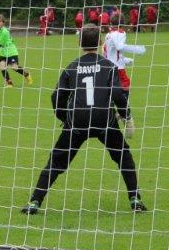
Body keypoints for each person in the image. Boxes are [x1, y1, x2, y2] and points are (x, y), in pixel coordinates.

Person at [20, 24, 146, 215]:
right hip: (104, 121)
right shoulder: (109, 66)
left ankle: (35, 201)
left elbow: (57, 96)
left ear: (79, 43)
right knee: (124, 157)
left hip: (77, 122)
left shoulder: (72, 67)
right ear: (101, 42)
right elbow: (118, 94)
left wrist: (64, 118)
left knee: (56, 161)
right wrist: (127, 117)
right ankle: (135, 199)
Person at [103, 15, 147, 92]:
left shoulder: (108, 35)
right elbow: (120, 47)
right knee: (124, 88)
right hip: (118, 68)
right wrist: (138, 50)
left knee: (111, 90)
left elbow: (108, 52)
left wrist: (124, 60)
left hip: (107, 67)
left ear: (111, 23)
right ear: (123, 24)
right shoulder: (120, 33)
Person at [0, 14, 32, 87]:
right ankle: (9, 83)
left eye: (0, 21)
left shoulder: (5, 32)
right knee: (2, 67)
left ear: (3, 23)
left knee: (14, 67)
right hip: (3, 53)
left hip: (11, 52)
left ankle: (26, 74)